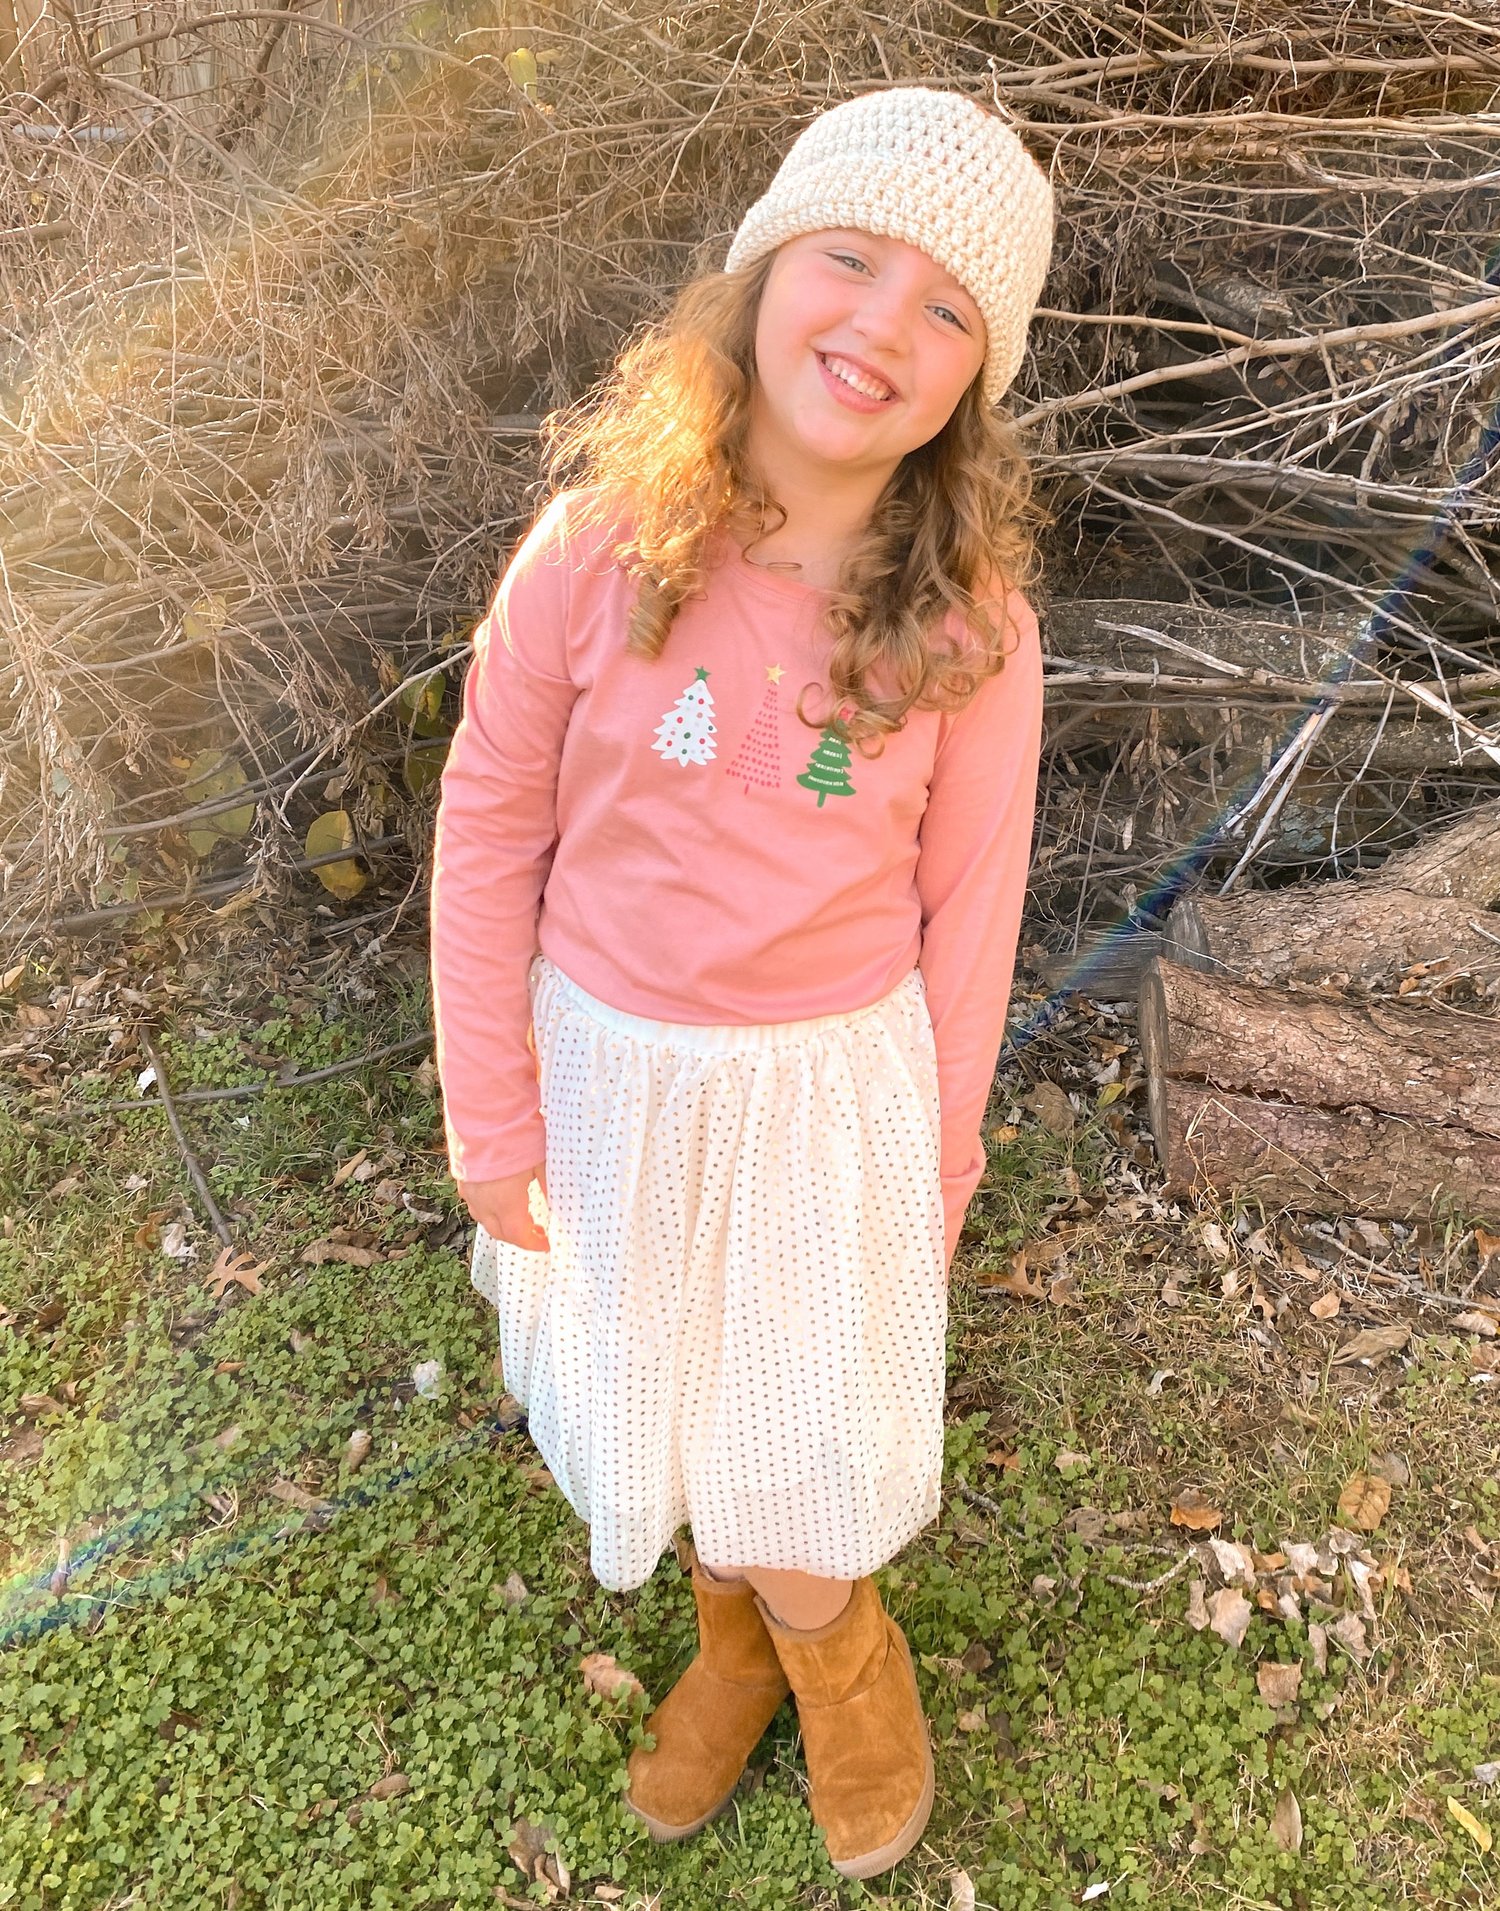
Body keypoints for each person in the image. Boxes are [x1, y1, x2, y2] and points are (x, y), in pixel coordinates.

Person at [429, 84, 1055, 1882]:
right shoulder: (597, 550)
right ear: (763, 269)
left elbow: (975, 910)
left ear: (975, 379)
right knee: (670, 1400)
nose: (884, 325)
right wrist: (494, 1111)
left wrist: (936, 1165)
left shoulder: (970, 623)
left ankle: (842, 1655)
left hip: (826, 1095)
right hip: (609, 1076)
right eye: (851, 260)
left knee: (807, 1417)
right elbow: (486, 834)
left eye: (951, 308)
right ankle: (735, 1643)